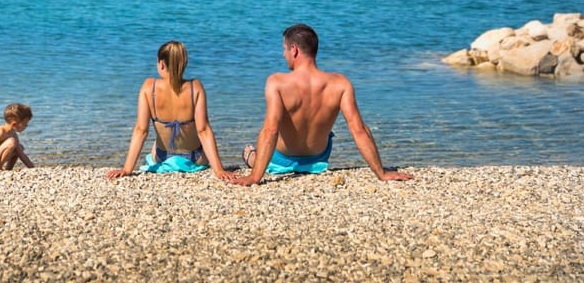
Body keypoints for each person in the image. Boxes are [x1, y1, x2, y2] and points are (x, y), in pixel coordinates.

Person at [230, 24, 412, 185]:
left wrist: (254, 177)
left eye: (284, 49)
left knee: (253, 146)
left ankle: (252, 157)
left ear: (294, 50)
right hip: (317, 160)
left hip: (279, 161)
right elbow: (358, 129)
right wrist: (381, 173)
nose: (283, 54)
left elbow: (271, 130)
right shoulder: (340, 83)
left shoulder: (277, 82)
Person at [107, 41, 232, 181]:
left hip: (162, 156)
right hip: (194, 157)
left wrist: (127, 169)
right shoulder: (195, 87)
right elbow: (203, 131)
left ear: (161, 64)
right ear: (183, 64)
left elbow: (141, 130)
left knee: (156, 144)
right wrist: (219, 170)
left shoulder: (149, 87)